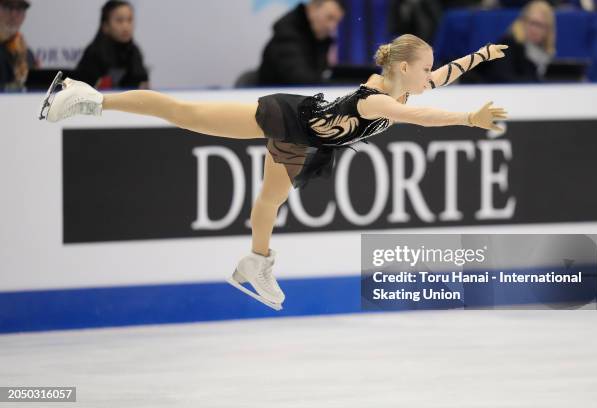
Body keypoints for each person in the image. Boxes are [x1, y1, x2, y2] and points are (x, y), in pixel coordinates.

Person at [39, 34, 508, 310]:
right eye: (425, 70)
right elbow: (422, 118)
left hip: (304, 141)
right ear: (404, 69)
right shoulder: (378, 99)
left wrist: (482, 55)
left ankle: (255, 263)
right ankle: (87, 96)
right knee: (187, 115)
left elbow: (446, 74)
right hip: (291, 118)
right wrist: (469, 119)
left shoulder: (405, 87)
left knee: (271, 200)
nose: (432, 77)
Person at [463, 0, 556, 83]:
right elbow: (505, 79)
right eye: (532, 23)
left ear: (548, 30)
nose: (535, 29)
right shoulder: (508, 46)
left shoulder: (543, 54)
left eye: (541, 25)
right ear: (522, 22)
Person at [257, 0, 345, 86]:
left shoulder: (319, 39)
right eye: (329, 18)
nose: (332, 27)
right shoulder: (287, 36)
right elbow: (301, 80)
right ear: (312, 9)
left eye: (336, 21)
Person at [74, 0, 149, 90]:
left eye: (129, 20)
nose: (126, 26)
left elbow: (143, 84)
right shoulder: (94, 53)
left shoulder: (134, 51)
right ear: (105, 26)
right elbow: (82, 89)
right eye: (119, 20)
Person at [0, 0, 37, 91]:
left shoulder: (27, 54)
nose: (13, 15)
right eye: (7, 7)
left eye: (19, 9)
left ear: (24, 16)